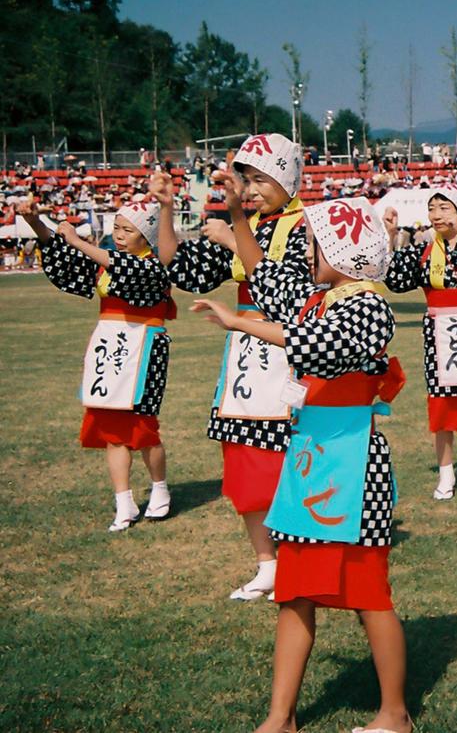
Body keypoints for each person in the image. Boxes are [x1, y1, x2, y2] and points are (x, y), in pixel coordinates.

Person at [193, 195, 411, 733]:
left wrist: (240, 325)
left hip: (354, 460)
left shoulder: (367, 305)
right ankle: (280, 717)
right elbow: (268, 280)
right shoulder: (323, 297)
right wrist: (240, 219)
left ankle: (394, 714)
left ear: (345, 249)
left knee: (368, 595)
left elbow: (314, 346)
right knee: (293, 592)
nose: (306, 251)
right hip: (313, 455)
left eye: (316, 242)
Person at [153, 134, 308, 602]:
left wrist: (236, 233)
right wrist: (165, 208)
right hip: (245, 359)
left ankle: (302, 558)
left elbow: (294, 288)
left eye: (261, 178)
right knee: (245, 463)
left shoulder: (309, 226)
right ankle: (267, 564)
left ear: (287, 177)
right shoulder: (244, 225)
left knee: (293, 463)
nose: (251, 189)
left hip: (293, 348)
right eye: (246, 179)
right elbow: (179, 267)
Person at [19, 193, 174, 531]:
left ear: (146, 236)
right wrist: (36, 223)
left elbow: (117, 265)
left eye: (127, 230)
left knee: (143, 426)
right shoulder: (107, 260)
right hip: (110, 344)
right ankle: (124, 501)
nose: (119, 235)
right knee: (111, 429)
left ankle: (160, 488)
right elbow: (69, 258)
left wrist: (76, 240)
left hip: (144, 346)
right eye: (116, 228)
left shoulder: (154, 265)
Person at [383, 186, 457, 500]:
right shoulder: (423, 249)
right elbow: (395, 281)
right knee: (442, 404)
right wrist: (390, 234)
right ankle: (446, 472)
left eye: (444, 208)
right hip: (441, 335)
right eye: (433, 208)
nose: (437, 215)